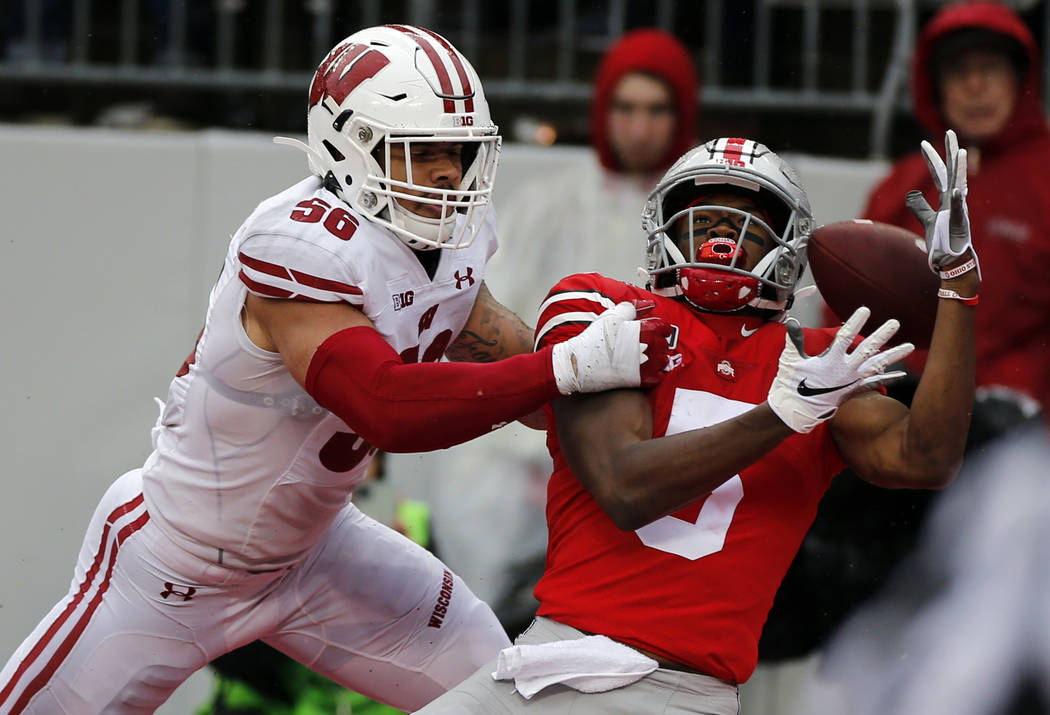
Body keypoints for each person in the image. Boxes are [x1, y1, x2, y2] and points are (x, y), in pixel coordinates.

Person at [0, 25, 672, 714]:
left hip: (318, 555)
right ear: (351, 149)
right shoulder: (300, 245)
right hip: (177, 566)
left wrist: (648, 389)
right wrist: (565, 368)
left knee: (497, 697)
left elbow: (513, 369)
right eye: (423, 151)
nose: (448, 172)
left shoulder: (449, 234)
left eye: (460, 151)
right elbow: (388, 405)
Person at [415, 131, 981, 714]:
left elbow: (928, 457)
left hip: (674, 689)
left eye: (746, 221)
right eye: (701, 218)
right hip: (556, 653)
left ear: (787, 246)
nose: (720, 235)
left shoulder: (819, 359)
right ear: (663, 228)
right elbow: (625, 485)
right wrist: (783, 415)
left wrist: (959, 290)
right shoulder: (605, 307)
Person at [404, 27, 699, 641]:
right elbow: (485, 317)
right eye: (625, 107)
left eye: (656, 109)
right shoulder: (550, 204)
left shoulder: (700, 216)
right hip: (528, 452)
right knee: (487, 637)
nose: (640, 126)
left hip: (654, 452)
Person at [863, 0, 1050, 413]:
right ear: (935, 87)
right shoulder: (902, 184)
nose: (975, 87)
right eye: (958, 73)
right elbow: (854, 295)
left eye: (990, 69)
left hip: (1018, 418)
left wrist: (1020, 388)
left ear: (1022, 80)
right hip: (902, 398)